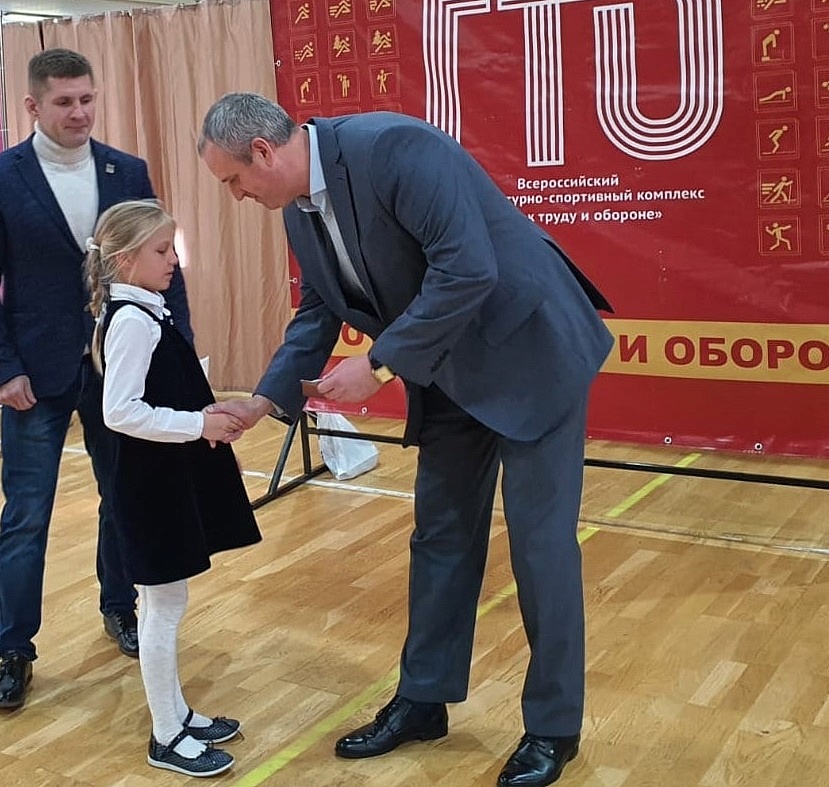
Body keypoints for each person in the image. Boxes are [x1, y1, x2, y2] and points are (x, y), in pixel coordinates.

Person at [197, 92, 614, 787]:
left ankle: (552, 727)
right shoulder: (298, 208)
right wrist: (265, 398)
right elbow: (319, 310)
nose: (236, 196)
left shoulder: (393, 148)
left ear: (263, 152)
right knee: (440, 533)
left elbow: (467, 268)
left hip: (528, 351)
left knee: (540, 546)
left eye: (233, 180)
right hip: (447, 367)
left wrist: (380, 363)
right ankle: (424, 699)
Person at [0, 48, 194, 711]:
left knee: (123, 498)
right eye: (65, 101)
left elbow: (163, 262)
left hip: (117, 366)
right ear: (33, 105)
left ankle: (119, 607)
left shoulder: (128, 170)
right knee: (25, 516)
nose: (80, 112)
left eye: (87, 98)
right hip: (33, 374)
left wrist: (177, 352)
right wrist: (1, 368)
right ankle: (14, 649)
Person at [85, 199, 261, 777]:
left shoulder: (144, 311)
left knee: (169, 602)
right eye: (162, 251)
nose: (173, 261)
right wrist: (197, 425)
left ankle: (179, 715)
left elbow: (163, 391)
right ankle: (165, 735)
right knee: (160, 609)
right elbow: (120, 411)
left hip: (161, 478)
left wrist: (200, 414)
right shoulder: (133, 321)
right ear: (125, 259)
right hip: (148, 486)